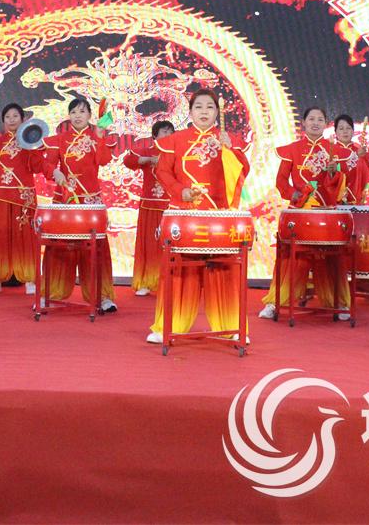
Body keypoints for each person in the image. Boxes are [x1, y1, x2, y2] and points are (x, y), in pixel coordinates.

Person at [148, 88, 251, 344]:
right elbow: (163, 171)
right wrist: (180, 191)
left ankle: (232, 326)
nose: (204, 112)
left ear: (217, 112)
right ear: (190, 112)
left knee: (224, 271)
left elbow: (242, 171)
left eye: (210, 107)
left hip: (218, 216)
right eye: (199, 107)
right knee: (179, 272)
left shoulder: (225, 139)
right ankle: (169, 325)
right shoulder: (176, 140)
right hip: (186, 214)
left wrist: (232, 151)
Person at [258, 106, 346, 320]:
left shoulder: (334, 150)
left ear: (325, 124)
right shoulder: (292, 149)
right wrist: (295, 195)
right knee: (290, 258)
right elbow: (281, 181)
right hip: (299, 212)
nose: (315, 123)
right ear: (303, 123)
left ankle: (339, 302)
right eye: (311, 119)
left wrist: (334, 173)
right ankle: (275, 301)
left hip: (325, 211)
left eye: (320, 119)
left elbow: (340, 185)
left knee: (330, 258)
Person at [41, 97, 117, 311]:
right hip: (66, 200)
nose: (77, 115)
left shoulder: (97, 135)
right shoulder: (59, 140)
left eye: (82, 111)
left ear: (90, 115)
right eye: (73, 112)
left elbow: (104, 160)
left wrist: (100, 136)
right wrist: (54, 172)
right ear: (69, 115)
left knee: (95, 249)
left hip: (90, 201)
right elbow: (47, 164)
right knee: (59, 248)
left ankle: (102, 297)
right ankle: (51, 293)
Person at [0, 103, 44, 296]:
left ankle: (30, 279)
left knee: (26, 237)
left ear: (23, 119)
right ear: (3, 121)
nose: (11, 120)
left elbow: (37, 167)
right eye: (7, 117)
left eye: (15, 116)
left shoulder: (31, 140)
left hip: (23, 196)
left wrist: (33, 147)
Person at [122, 120, 175, 297]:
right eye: (164, 132)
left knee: (170, 246)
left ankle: (170, 282)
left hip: (171, 207)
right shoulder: (147, 151)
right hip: (149, 205)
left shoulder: (177, 153)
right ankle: (145, 282)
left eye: (170, 132)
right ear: (154, 136)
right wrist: (145, 160)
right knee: (149, 245)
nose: (168, 135)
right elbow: (128, 160)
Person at [329, 114, 369, 204]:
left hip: (357, 200)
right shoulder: (330, 151)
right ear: (335, 132)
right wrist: (356, 157)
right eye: (341, 129)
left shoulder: (360, 151)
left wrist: (362, 158)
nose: (345, 131)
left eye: (348, 128)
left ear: (353, 131)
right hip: (335, 199)